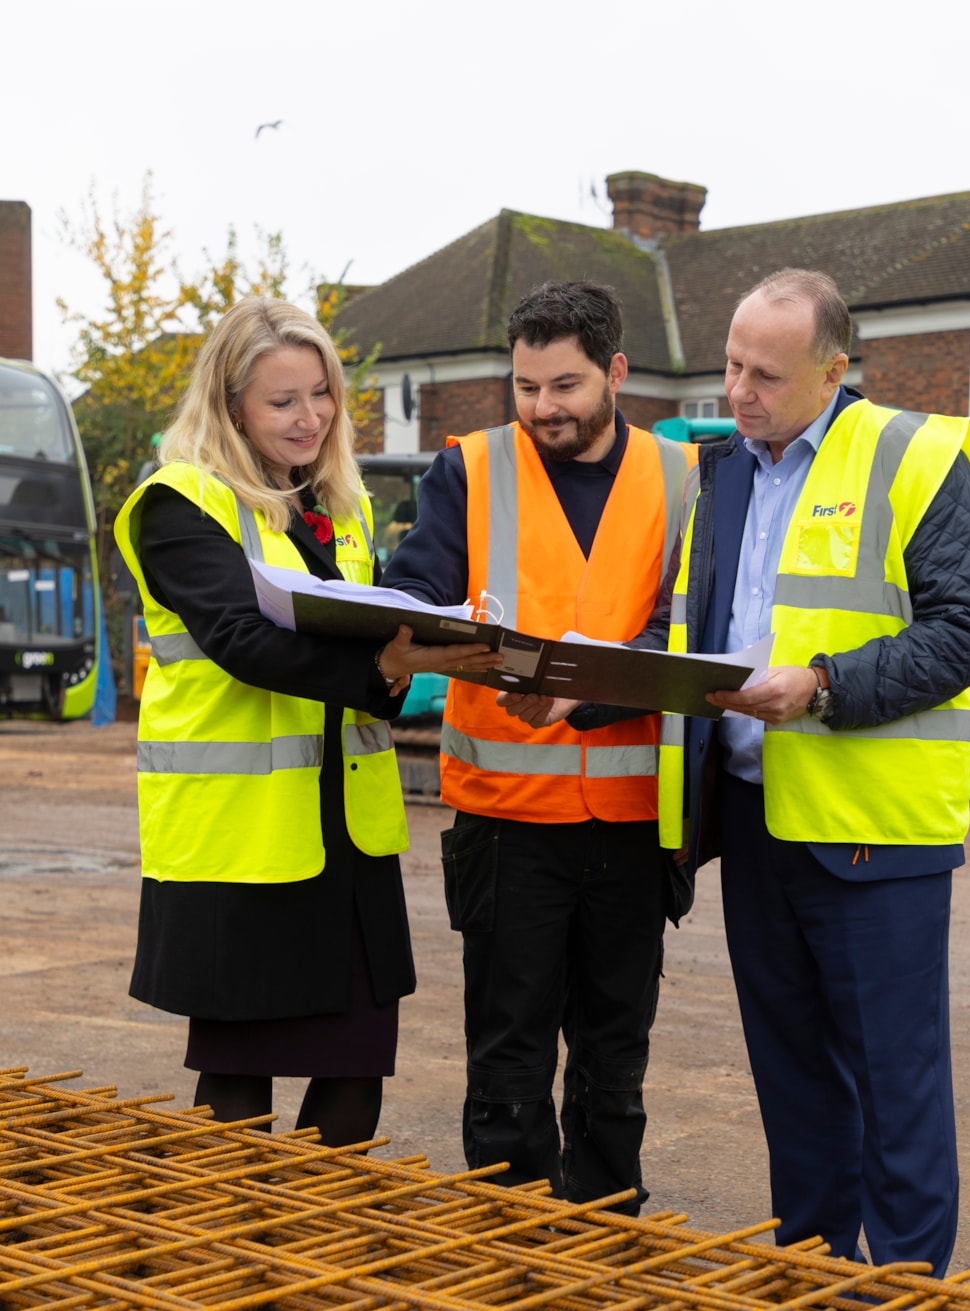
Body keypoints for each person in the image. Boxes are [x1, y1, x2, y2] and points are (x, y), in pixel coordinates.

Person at [656, 269, 970, 1277]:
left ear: (833, 370)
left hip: (876, 833)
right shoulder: (719, 474)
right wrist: (582, 681)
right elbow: (695, 633)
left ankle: (902, 1304)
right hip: (758, 820)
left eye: (765, 373)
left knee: (895, 1084)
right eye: (730, 364)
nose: (738, 389)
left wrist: (819, 685)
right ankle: (811, 1276)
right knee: (795, 1075)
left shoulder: (914, 457)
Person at [114, 296, 499, 1144]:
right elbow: (238, 640)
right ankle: (237, 1262)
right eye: (282, 401)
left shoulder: (340, 507)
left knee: (357, 1076)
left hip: (347, 841)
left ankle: (318, 1268)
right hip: (242, 842)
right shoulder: (178, 505)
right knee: (239, 1090)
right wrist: (383, 667)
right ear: (230, 406)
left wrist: (417, 656)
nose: (311, 417)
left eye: (320, 394)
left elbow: (366, 651)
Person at [381, 280, 694, 1212]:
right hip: (507, 823)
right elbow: (417, 598)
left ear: (616, 373)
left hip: (636, 822)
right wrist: (447, 641)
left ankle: (603, 1229)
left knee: (613, 1052)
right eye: (525, 387)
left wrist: (588, 694)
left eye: (563, 386)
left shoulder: (686, 479)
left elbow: (688, 626)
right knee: (509, 1050)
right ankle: (509, 1244)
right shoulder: (468, 470)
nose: (542, 408)